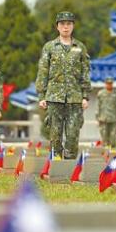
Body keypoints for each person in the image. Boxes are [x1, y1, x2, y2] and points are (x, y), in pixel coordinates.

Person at [36, 11, 91, 159]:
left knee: (73, 134)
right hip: (54, 97)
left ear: (73, 26)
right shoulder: (49, 47)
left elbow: (85, 72)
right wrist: (42, 95)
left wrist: (85, 96)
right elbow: (43, 71)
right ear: (57, 27)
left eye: (69, 24)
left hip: (75, 98)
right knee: (55, 134)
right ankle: (56, 167)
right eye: (62, 24)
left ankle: (69, 166)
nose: (65, 27)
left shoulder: (80, 47)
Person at [96, 76, 116, 148]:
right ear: (105, 84)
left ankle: (113, 151)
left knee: (113, 136)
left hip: (113, 118)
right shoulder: (101, 93)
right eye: (108, 83)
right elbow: (98, 105)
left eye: (110, 83)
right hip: (103, 118)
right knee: (104, 136)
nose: (109, 85)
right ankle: (105, 153)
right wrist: (97, 117)